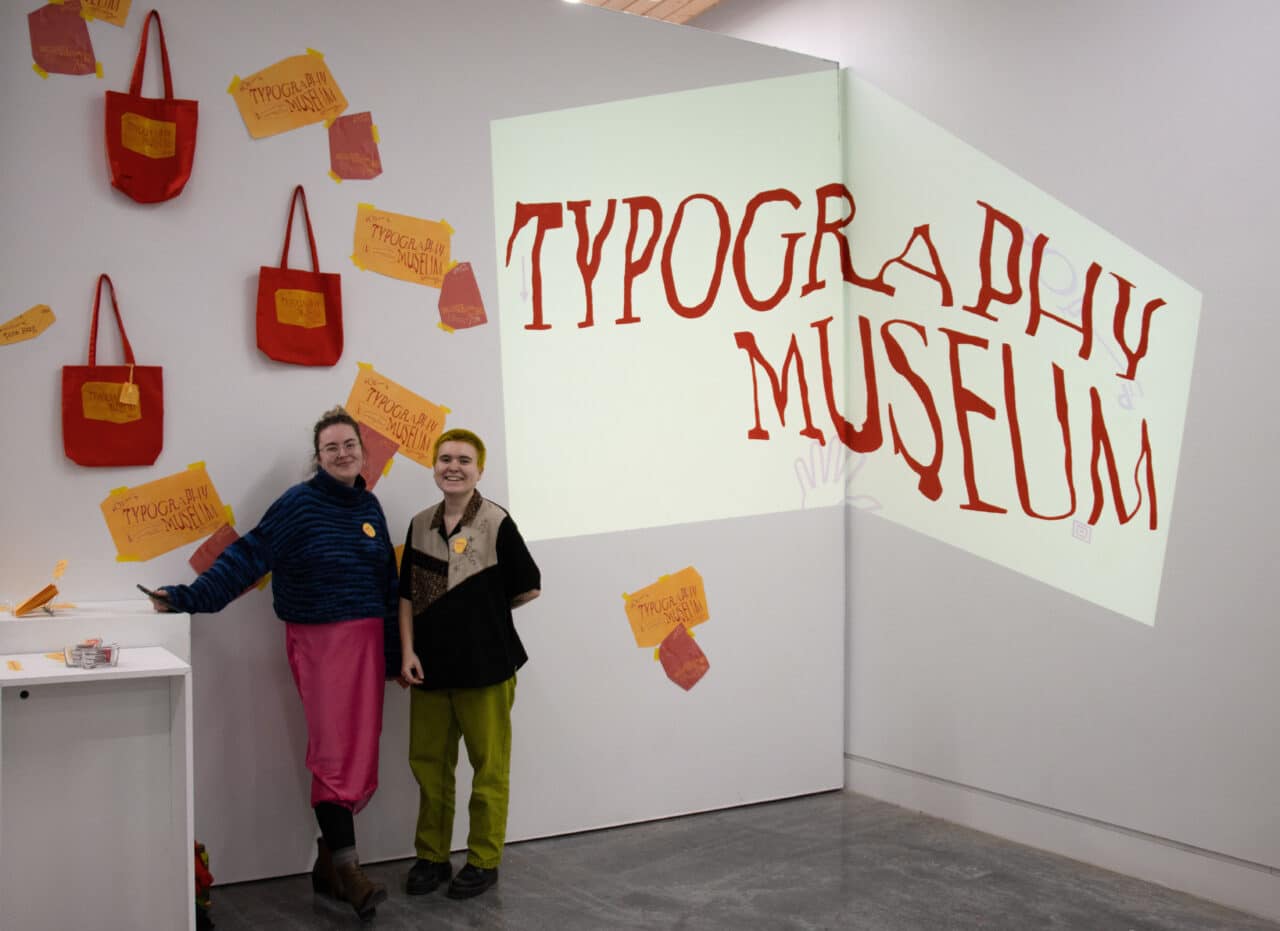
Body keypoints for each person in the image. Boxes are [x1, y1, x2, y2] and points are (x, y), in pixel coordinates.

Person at [146, 406, 399, 920]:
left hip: (368, 645)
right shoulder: (298, 506)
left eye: (349, 444)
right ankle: (349, 870)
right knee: (334, 753)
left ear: (362, 451)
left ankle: (327, 867)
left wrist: (394, 653)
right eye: (331, 448)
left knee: (360, 755)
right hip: (322, 646)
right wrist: (192, 596)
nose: (342, 453)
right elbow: (250, 556)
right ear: (318, 457)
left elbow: (387, 588)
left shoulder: (370, 508)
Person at [398, 428, 541, 900]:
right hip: (431, 671)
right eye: (444, 459)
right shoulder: (419, 524)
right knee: (429, 767)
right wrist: (408, 651)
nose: (452, 467)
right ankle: (432, 857)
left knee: (489, 768)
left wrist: (481, 623)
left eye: (463, 459)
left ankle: (483, 860)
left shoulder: (497, 522)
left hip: (486, 670)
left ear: (479, 470)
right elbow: (405, 598)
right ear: (433, 466)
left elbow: (527, 586)